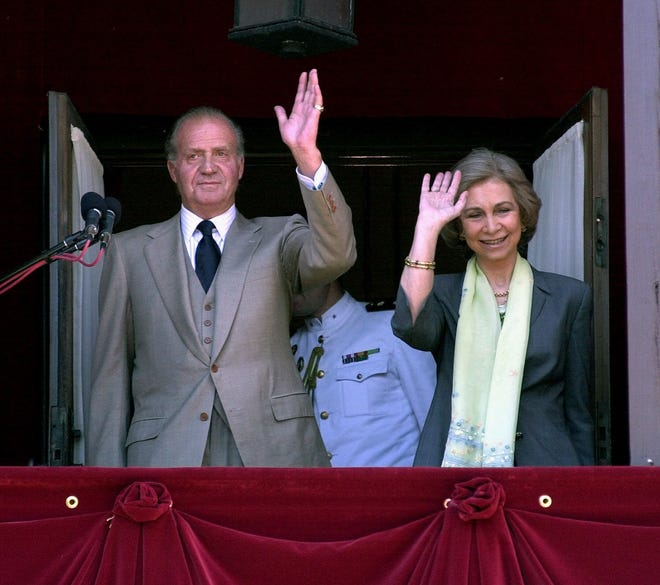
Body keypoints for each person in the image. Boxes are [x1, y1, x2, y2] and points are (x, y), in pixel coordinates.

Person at [85, 69, 357, 467]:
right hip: (165, 456)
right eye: (194, 156)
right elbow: (109, 378)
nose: (208, 167)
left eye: (221, 154)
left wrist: (307, 156)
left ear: (241, 166)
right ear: (173, 169)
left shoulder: (279, 237)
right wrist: (104, 483)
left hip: (273, 453)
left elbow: (337, 253)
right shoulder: (128, 252)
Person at [391, 147, 595, 467]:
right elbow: (411, 327)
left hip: (546, 471)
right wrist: (427, 227)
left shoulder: (570, 297)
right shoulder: (443, 293)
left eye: (503, 210)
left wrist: (587, 490)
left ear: (523, 217)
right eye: (474, 215)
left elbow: (579, 411)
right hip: (452, 471)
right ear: (459, 226)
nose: (491, 226)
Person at [290, 279, 436, 466]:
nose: (290, 286)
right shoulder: (291, 346)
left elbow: (433, 419)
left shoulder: (392, 326)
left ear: (329, 272)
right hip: (320, 491)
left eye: (297, 276)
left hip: (395, 490)